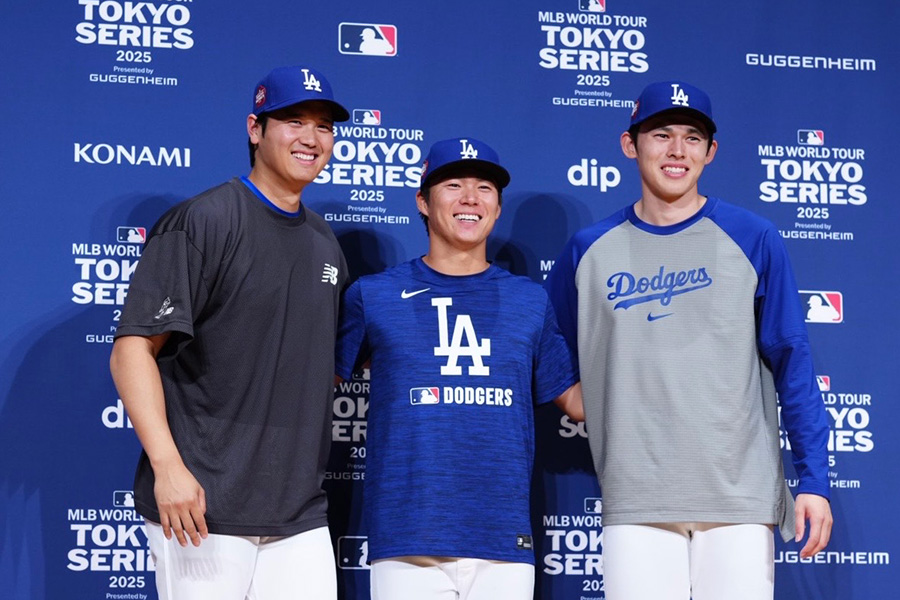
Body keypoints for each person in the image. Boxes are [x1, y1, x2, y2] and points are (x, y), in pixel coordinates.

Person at [544, 81, 833, 600]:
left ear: (710, 151)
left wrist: (813, 479)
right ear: (630, 144)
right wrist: (580, 400)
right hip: (637, 498)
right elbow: (549, 345)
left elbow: (793, 362)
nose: (677, 151)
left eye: (693, 137)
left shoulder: (753, 237)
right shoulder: (589, 249)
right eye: (661, 134)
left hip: (738, 497)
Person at [109, 65, 350, 600]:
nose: (311, 138)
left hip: (299, 512)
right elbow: (131, 352)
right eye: (293, 120)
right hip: (203, 504)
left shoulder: (323, 241)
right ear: (255, 128)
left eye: (324, 126)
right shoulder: (203, 221)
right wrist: (168, 469)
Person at [335, 137, 583, 600]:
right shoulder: (374, 296)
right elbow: (309, 387)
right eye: (453, 184)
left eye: (484, 187)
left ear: (497, 205)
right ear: (423, 202)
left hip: (503, 542)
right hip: (407, 540)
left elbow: (576, 401)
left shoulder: (530, 300)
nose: (471, 198)